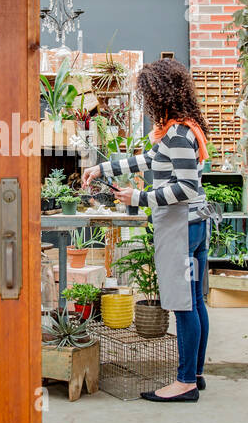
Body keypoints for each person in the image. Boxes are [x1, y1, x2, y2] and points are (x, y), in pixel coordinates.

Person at [82, 57, 212, 402]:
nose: (145, 102)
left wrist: (139, 196)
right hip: (194, 226)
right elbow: (149, 160)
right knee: (195, 301)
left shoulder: (179, 136)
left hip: (180, 227)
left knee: (182, 304)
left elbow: (185, 188)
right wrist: (102, 167)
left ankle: (184, 382)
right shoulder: (179, 130)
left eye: (146, 95)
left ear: (159, 94)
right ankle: (194, 375)